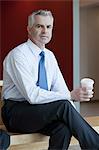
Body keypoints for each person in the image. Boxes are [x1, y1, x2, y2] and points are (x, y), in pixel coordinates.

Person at [1, 9, 99, 149]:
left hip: (40, 111)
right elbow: (33, 96)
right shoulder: (18, 55)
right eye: (39, 26)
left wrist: (74, 109)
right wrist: (70, 95)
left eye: (48, 27)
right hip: (16, 113)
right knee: (63, 105)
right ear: (29, 29)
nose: (45, 31)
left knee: (63, 128)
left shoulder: (50, 56)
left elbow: (61, 91)